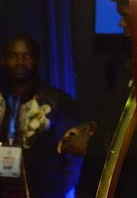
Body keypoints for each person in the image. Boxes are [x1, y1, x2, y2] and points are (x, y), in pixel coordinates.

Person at [56, 0, 137, 198]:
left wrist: (92, 145)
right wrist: (94, 129)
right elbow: (121, 116)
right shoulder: (132, 60)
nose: (121, 23)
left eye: (126, 16)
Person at [0, 34, 83, 198]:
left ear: (38, 61)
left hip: (44, 193)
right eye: (13, 56)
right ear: (3, 61)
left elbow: (73, 159)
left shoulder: (58, 103)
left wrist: (56, 192)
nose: (20, 62)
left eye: (27, 56)